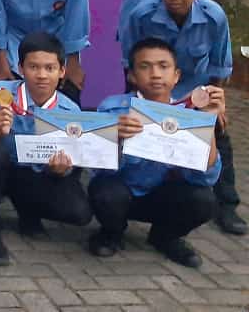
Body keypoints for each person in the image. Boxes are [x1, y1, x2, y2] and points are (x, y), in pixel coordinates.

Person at [119, 0, 244, 235]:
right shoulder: (141, 15)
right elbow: (131, 62)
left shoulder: (214, 16)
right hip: (153, 91)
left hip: (194, 92)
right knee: (136, 135)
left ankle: (227, 205)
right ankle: (137, 191)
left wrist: (215, 104)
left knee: (218, 137)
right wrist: (136, 101)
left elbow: (219, 65)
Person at [89, 38, 225, 267]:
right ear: (132, 76)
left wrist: (208, 122)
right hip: (124, 194)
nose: (155, 74)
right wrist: (116, 138)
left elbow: (205, 177)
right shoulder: (113, 108)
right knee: (104, 192)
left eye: (163, 66)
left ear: (176, 75)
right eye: (145, 66)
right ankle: (111, 233)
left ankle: (165, 237)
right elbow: (96, 169)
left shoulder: (190, 113)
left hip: (164, 197)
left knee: (204, 200)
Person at [0, 32, 93, 266]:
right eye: (34, 67)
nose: (42, 75)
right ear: (20, 68)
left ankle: (29, 212)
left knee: (79, 212)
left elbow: (76, 156)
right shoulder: (0, 93)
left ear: (62, 71)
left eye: (50, 68)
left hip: (37, 176)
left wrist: (61, 169)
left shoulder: (69, 111)